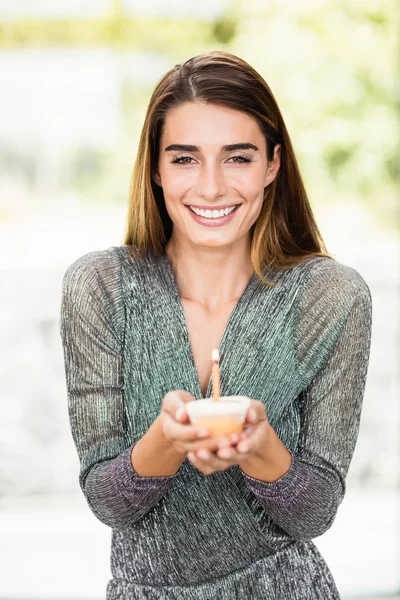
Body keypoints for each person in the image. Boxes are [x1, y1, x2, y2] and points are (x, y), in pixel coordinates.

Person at [59, 50, 372, 599]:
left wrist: (259, 446)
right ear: (154, 168)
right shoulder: (101, 288)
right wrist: (166, 441)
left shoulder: (331, 297)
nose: (210, 187)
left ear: (272, 164)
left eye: (237, 157)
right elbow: (107, 501)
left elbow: (316, 511)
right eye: (184, 158)